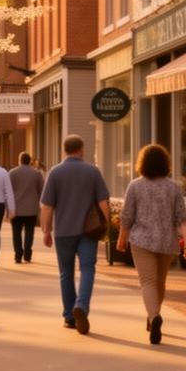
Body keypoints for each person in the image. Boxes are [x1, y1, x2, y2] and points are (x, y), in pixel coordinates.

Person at [116, 144, 186, 345]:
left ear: (143, 163)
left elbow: (127, 216)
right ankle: (153, 317)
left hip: (141, 241)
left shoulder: (135, 185)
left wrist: (122, 238)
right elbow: (181, 218)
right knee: (160, 282)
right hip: (166, 241)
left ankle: (154, 316)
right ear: (165, 164)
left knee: (147, 282)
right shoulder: (173, 187)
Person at [39, 135, 109, 334]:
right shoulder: (92, 171)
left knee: (66, 273)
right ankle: (82, 306)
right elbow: (104, 202)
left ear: (64, 150)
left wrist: (46, 230)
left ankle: (69, 317)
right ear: (81, 149)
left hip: (64, 232)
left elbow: (47, 206)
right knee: (87, 269)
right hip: (88, 231)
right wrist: (106, 226)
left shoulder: (55, 172)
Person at [8, 152, 44, 263]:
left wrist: (8, 208)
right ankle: (27, 254)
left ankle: (18, 255)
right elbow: (41, 190)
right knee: (29, 231)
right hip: (31, 209)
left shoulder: (12, 173)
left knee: (16, 232)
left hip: (16, 208)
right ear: (30, 161)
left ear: (19, 160)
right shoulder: (37, 173)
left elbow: (8, 191)